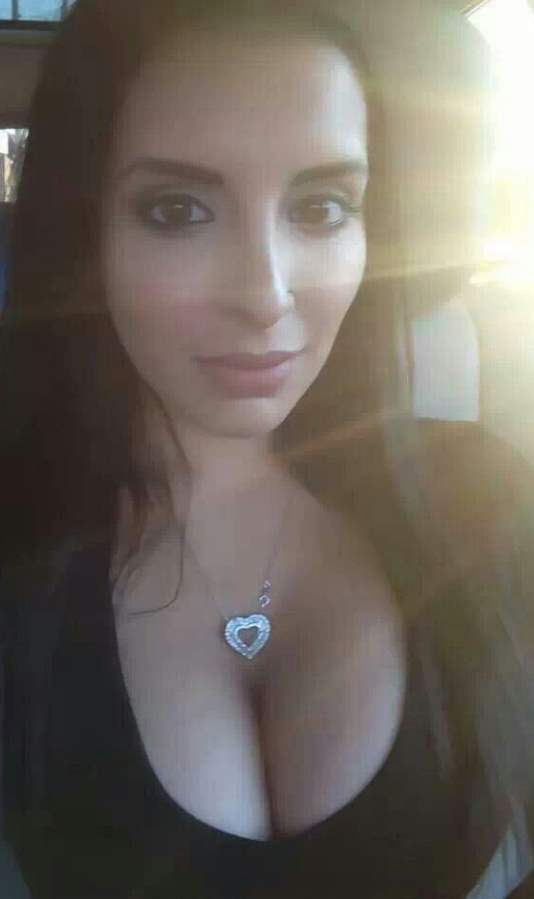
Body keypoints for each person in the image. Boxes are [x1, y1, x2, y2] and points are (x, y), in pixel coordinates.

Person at [1, 0, 534, 897]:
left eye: (322, 207)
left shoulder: (493, 498)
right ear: (85, 231)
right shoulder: (18, 539)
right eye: (178, 210)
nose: (266, 293)